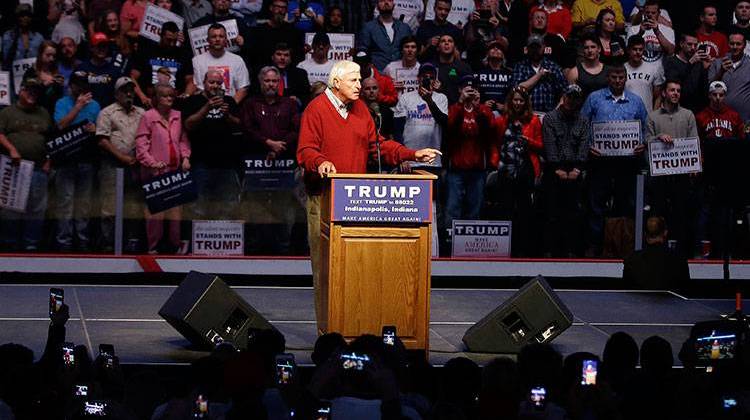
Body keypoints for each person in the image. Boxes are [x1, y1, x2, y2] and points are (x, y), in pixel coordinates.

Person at [296, 60, 441, 331]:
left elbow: (378, 146)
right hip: (324, 199)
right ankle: (327, 333)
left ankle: (355, 327)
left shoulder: (360, 108)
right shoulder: (315, 109)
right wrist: (320, 162)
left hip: (354, 202)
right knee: (327, 272)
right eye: (354, 81)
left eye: (360, 81)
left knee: (356, 271)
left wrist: (412, 154)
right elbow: (305, 150)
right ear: (336, 82)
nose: (360, 86)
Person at [581, 65, 648, 257]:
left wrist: (641, 144)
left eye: (621, 77)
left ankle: (622, 246)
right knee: (596, 205)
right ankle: (594, 246)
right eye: (614, 77)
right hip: (600, 161)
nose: (618, 80)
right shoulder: (594, 98)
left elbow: (645, 128)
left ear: (625, 78)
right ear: (608, 78)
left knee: (625, 204)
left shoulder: (636, 101)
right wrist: (588, 147)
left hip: (627, 163)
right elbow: (582, 125)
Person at [241, 66, 300, 255]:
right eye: (267, 81)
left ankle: (282, 252)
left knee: (282, 209)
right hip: (257, 164)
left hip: (283, 164)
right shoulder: (250, 103)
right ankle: (255, 253)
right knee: (256, 209)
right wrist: (268, 143)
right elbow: (247, 129)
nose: (271, 84)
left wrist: (279, 146)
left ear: (279, 83)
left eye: (274, 81)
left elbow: (296, 129)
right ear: (260, 82)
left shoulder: (289, 104)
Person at [135, 84, 192, 254]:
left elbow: (183, 140)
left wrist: (186, 157)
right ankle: (153, 247)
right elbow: (141, 144)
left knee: (176, 214)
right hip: (155, 173)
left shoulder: (178, 115)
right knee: (155, 215)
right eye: (165, 96)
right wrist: (151, 162)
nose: (169, 99)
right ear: (157, 98)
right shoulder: (148, 116)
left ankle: (175, 246)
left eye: (171, 96)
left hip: (175, 172)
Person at [646, 79, 699, 258]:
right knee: (658, 215)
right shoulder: (653, 116)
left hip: (681, 176)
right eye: (672, 90)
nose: (675, 93)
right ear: (664, 93)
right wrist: (659, 137)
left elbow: (694, 142)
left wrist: (695, 165)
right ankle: (656, 253)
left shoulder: (688, 115)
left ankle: (682, 254)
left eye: (678, 90)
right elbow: (646, 142)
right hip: (660, 177)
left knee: (682, 215)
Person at [182, 69, 242, 221]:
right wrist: (206, 108)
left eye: (219, 83)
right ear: (204, 83)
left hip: (227, 164)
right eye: (211, 82)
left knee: (229, 207)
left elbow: (240, 126)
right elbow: (188, 125)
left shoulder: (229, 101)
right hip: (201, 163)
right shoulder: (193, 101)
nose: (215, 86)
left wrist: (227, 115)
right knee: (198, 208)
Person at [490, 86, 543, 256]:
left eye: (521, 100)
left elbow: (541, 146)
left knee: (524, 211)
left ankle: (524, 250)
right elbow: (495, 143)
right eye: (515, 99)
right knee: (505, 209)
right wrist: (495, 162)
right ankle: (504, 250)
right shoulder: (501, 120)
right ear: (510, 101)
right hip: (505, 170)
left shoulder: (534, 120)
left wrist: (529, 142)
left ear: (526, 102)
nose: (518, 103)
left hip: (525, 169)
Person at [0, 79, 52, 252]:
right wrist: (11, 148)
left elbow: (52, 139)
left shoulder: (43, 112)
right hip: (13, 166)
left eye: (35, 91)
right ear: (20, 91)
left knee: (37, 209)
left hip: (38, 168)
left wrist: (49, 160)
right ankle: (10, 244)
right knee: (10, 209)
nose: (32, 94)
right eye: (29, 90)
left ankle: (31, 246)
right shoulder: (7, 112)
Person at [95, 77, 146, 252]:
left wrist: (140, 156)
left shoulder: (142, 113)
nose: (129, 93)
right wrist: (121, 157)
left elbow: (148, 137)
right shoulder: (107, 112)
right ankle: (108, 244)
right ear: (117, 94)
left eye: (131, 90)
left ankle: (131, 242)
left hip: (135, 165)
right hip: (112, 164)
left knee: (133, 205)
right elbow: (102, 140)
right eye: (124, 90)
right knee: (110, 207)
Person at [53, 71, 101, 252]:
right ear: (71, 85)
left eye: (84, 84)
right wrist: (78, 107)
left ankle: (82, 241)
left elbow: (100, 129)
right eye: (77, 84)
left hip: (86, 160)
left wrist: (95, 129)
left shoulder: (95, 105)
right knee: (65, 202)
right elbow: (61, 125)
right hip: (66, 160)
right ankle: (63, 241)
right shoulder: (62, 103)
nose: (81, 88)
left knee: (84, 203)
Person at [542, 85, 590, 257]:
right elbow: (549, 146)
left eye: (575, 98)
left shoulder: (584, 120)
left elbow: (584, 146)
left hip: (576, 169)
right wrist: (558, 169)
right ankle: (551, 251)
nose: (571, 101)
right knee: (552, 213)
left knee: (576, 213)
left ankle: (574, 251)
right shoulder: (550, 118)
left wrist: (577, 169)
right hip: (554, 169)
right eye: (569, 97)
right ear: (563, 97)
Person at [444, 76, 494, 236]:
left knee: (475, 208)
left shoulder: (485, 110)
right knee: (453, 207)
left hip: (477, 168)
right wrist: (461, 103)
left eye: (473, 89)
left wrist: (477, 107)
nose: (470, 92)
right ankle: (448, 241)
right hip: (457, 167)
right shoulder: (453, 108)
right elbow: (450, 128)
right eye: (467, 89)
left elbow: (488, 133)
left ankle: (471, 243)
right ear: (460, 90)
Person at [393, 63, 448, 168]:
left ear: (435, 81)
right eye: (425, 77)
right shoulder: (406, 98)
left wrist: (429, 101)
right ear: (418, 79)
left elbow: (444, 122)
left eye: (431, 77)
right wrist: (401, 158)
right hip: (409, 160)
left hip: (433, 160)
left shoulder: (441, 98)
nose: (428, 80)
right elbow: (397, 130)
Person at [131, 21, 195, 108]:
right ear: (161, 35)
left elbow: (190, 81)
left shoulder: (183, 54)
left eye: (175, 40)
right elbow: (132, 77)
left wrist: (185, 96)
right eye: (169, 40)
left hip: (174, 104)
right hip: (149, 102)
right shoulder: (146, 51)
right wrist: (142, 97)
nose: (172, 44)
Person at [622, 216, 689, 289]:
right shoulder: (678, 259)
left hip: (641, 300)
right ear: (665, 233)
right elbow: (685, 291)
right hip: (669, 299)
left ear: (644, 233)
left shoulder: (631, 260)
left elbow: (627, 293)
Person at [192, 23, 250, 104]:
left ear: (226, 40)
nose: (217, 39)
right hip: (205, 107)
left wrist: (231, 105)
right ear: (207, 40)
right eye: (214, 36)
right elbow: (198, 88)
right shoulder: (197, 61)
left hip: (229, 106)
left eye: (221, 36)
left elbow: (243, 88)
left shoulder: (237, 60)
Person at [511, 34, 567, 113]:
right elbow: (517, 89)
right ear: (527, 49)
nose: (535, 50)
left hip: (548, 115)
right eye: (532, 47)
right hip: (526, 114)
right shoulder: (520, 66)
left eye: (538, 47)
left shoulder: (553, 67)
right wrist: (539, 75)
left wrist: (555, 114)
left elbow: (565, 92)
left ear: (544, 47)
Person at [357, 0, 413, 71]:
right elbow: (362, 50)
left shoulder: (404, 28)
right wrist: (366, 65)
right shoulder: (368, 27)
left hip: (401, 73)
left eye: (389, 0)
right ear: (377, 6)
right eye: (382, 0)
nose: (386, 2)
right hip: (377, 74)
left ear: (394, 4)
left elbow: (412, 49)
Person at [249, 0, 304, 70]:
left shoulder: (293, 32)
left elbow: (298, 56)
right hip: (265, 73)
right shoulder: (258, 31)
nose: (280, 10)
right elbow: (253, 57)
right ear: (271, 8)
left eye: (283, 8)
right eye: (277, 7)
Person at [708, 30, 750, 122]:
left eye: (738, 44)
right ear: (728, 44)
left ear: (745, 45)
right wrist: (721, 72)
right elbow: (709, 88)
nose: (735, 47)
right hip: (720, 121)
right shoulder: (717, 63)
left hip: (745, 120)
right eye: (732, 43)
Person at [663, 32, 710, 112]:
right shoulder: (671, 61)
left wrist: (705, 69)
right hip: (677, 109)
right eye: (689, 44)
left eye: (695, 45)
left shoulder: (698, 63)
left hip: (696, 109)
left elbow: (704, 89)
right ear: (681, 44)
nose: (693, 48)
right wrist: (690, 63)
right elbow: (674, 81)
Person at [76, 32, 123, 108]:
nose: (102, 49)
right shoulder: (82, 69)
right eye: (99, 46)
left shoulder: (114, 70)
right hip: (87, 110)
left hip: (108, 112)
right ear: (92, 48)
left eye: (104, 46)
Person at [626, 0, 675, 65]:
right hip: (639, 70)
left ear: (659, 13)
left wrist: (657, 31)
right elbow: (628, 51)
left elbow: (670, 51)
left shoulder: (668, 30)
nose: (650, 15)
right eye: (647, 12)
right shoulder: (633, 29)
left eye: (653, 13)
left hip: (659, 71)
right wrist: (640, 33)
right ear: (643, 12)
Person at [23, 40, 65, 114]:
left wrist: (60, 86)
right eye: (48, 55)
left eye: (54, 56)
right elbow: (27, 95)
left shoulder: (56, 73)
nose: (52, 59)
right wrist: (44, 85)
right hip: (35, 113)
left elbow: (58, 98)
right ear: (40, 54)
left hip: (53, 113)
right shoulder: (31, 72)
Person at [624, 35, 665, 113]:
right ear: (628, 50)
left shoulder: (653, 69)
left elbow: (658, 96)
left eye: (640, 49)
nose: (638, 52)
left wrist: (653, 116)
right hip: (626, 116)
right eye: (635, 49)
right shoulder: (622, 69)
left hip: (647, 116)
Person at [565, 33, 609, 99]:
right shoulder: (574, 72)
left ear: (599, 49)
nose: (590, 50)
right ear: (583, 50)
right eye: (586, 48)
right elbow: (570, 99)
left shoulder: (608, 71)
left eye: (593, 47)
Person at [473, 40, 512, 115]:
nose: (496, 49)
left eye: (499, 48)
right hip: (482, 114)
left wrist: (506, 107)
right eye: (492, 47)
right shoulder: (478, 73)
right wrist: (482, 105)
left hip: (504, 115)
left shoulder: (510, 74)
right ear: (487, 54)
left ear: (503, 55)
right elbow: (473, 96)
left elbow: (513, 95)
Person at [431, 34, 472, 104]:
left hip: (458, 107)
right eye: (443, 41)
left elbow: (469, 91)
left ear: (454, 47)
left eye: (450, 41)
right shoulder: (431, 67)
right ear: (438, 48)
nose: (446, 43)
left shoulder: (464, 68)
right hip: (436, 108)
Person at [271, 42, 311, 107]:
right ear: (272, 57)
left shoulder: (301, 74)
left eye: (286, 55)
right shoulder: (264, 74)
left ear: (290, 59)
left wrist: (297, 100)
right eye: (279, 54)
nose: (282, 58)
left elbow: (307, 98)